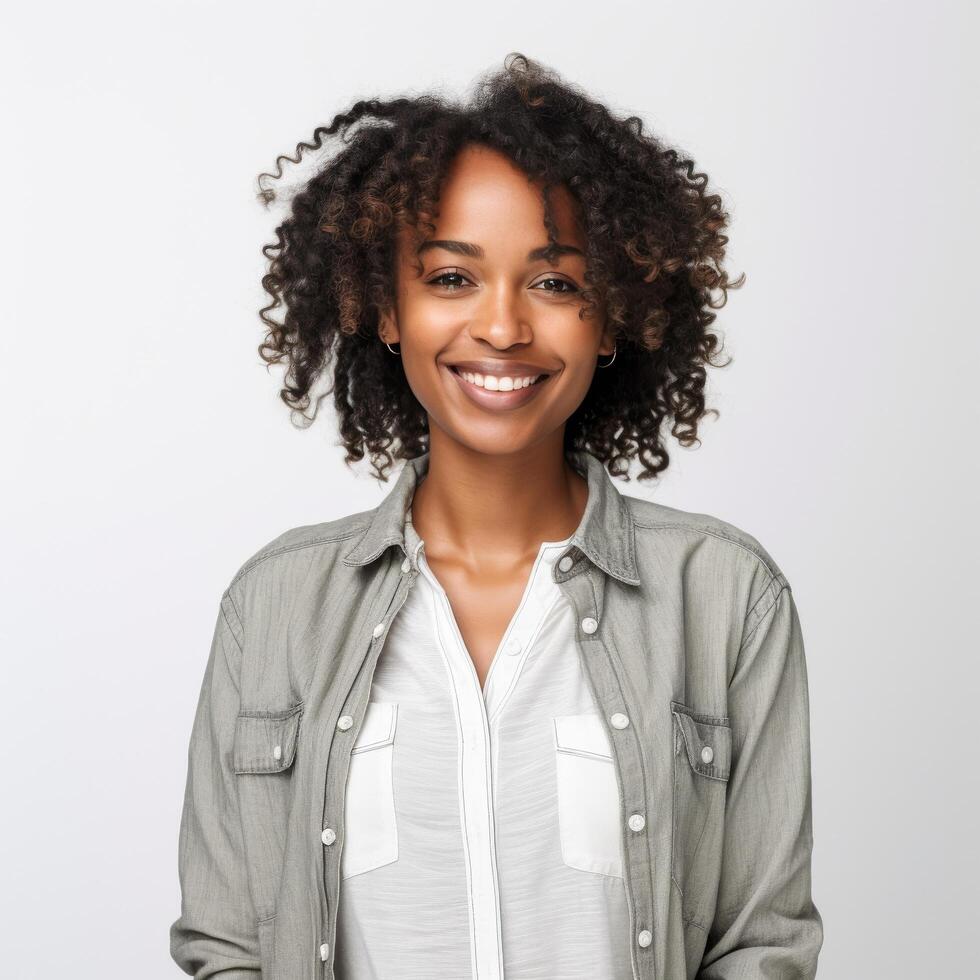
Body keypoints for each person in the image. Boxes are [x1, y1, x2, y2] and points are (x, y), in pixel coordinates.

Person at [170, 52, 823, 980]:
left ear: (614, 317)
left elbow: (763, 946)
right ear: (384, 307)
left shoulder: (724, 597)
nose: (505, 327)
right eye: (450, 279)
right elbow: (229, 944)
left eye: (555, 283)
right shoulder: (273, 607)